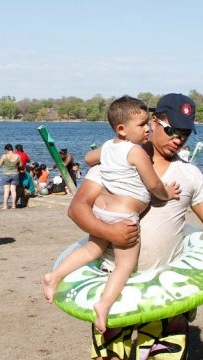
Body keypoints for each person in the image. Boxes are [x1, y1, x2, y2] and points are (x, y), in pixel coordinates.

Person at [66, 93, 203, 359]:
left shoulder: (189, 175)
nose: (179, 139)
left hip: (166, 290)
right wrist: (110, 232)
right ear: (153, 122)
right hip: (114, 284)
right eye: (172, 130)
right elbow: (77, 208)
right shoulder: (115, 165)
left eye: (185, 133)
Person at [43, 95, 180, 333]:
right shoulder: (136, 152)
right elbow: (154, 185)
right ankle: (104, 305)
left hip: (101, 211)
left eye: (148, 123)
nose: (148, 128)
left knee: (91, 249)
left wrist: (106, 153)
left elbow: (87, 158)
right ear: (121, 129)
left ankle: (54, 276)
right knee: (124, 266)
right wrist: (167, 193)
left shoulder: (108, 147)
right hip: (123, 217)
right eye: (142, 125)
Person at [0, 143, 20, 209]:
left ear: (6, 149)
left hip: (6, 174)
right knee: (13, 190)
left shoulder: (4, 156)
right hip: (15, 174)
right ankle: (13, 205)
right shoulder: (18, 156)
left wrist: (3, 163)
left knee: (6, 191)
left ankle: (5, 206)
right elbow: (20, 164)